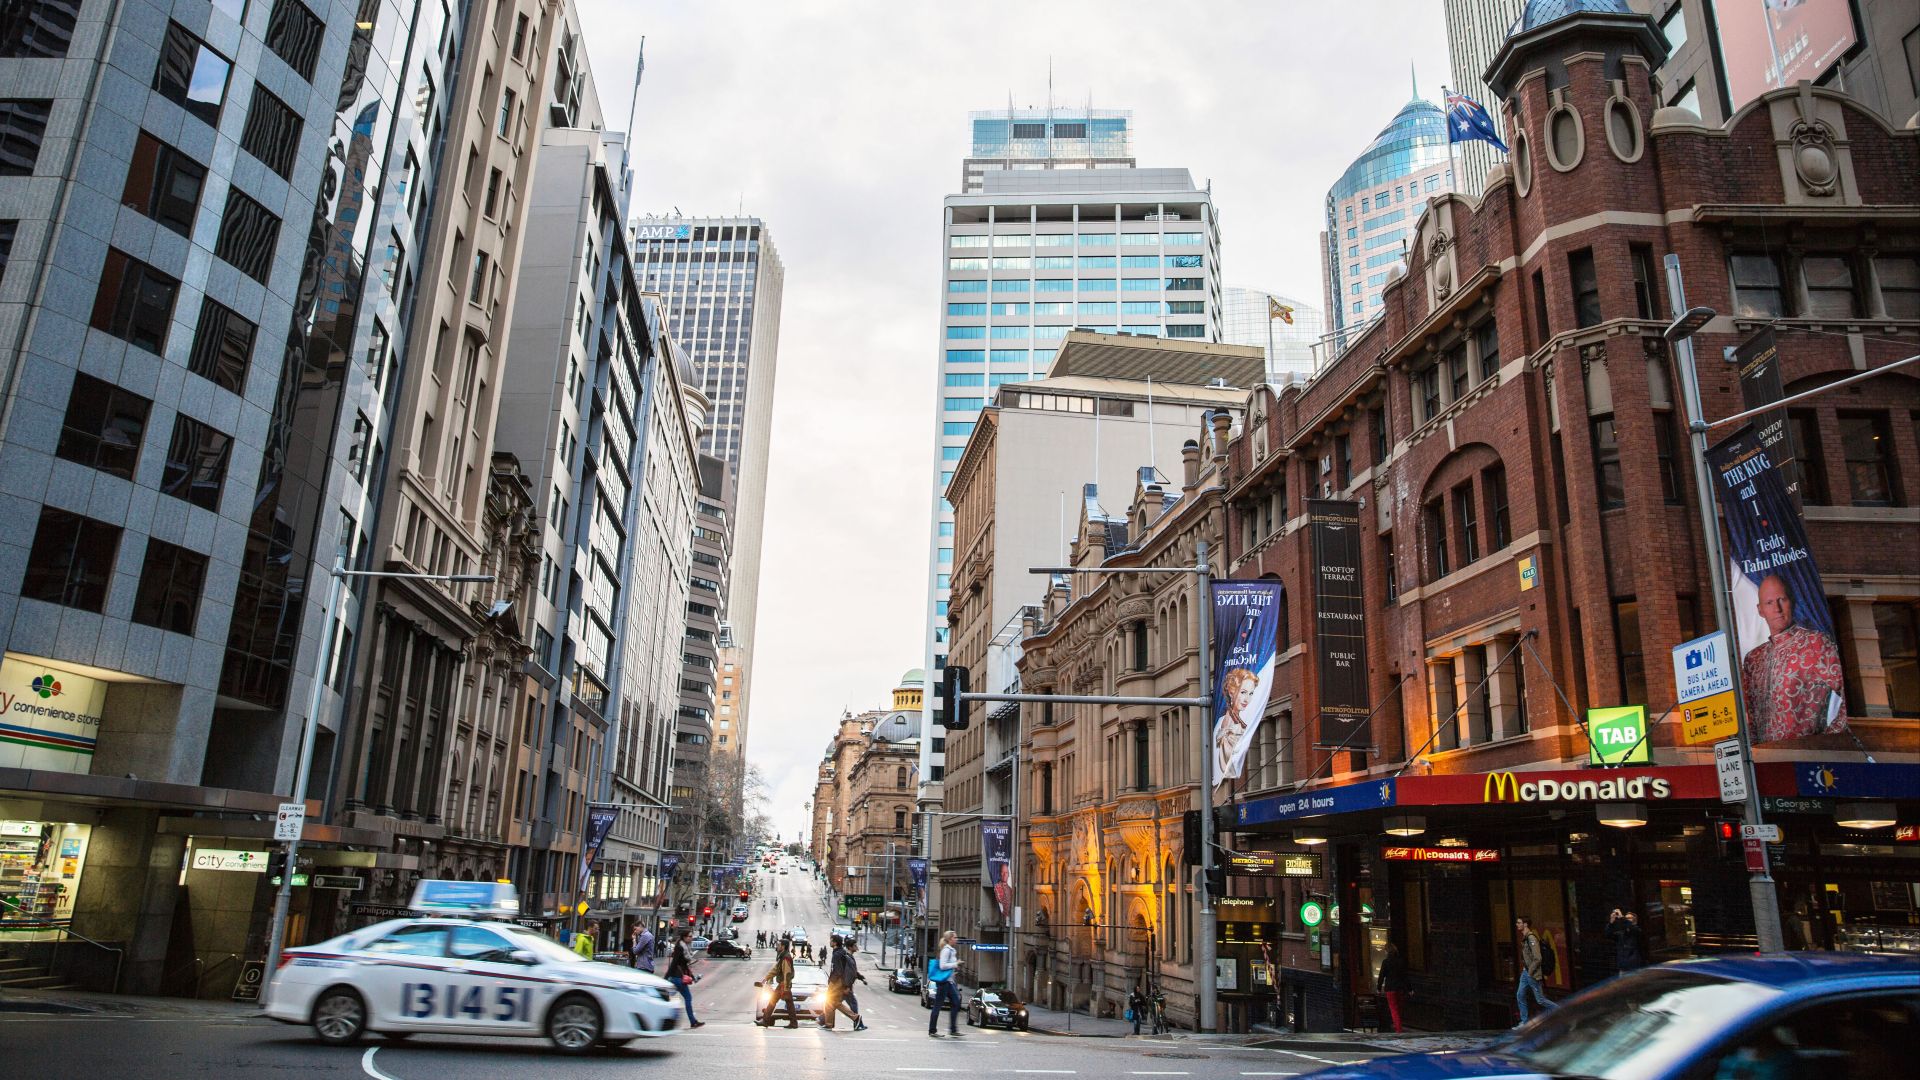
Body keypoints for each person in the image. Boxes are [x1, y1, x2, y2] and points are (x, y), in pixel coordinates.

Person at [1740, 574, 1844, 742]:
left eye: (1782, 600)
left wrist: (1825, 741)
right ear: (1760, 610)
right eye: (1769, 603)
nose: (1777, 609)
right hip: (1766, 758)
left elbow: (1843, 699)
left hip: (1808, 753)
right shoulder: (1753, 659)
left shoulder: (1815, 643)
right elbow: (1751, 714)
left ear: (1792, 602)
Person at [1212, 668, 1261, 779]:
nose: (1247, 699)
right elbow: (1228, 767)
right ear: (1231, 692)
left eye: (1251, 693)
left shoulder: (1231, 719)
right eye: (1243, 692)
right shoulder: (1232, 726)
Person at [1514, 917, 1555, 1025]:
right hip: (1525, 972)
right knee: (1520, 995)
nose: (1517, 924)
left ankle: (1562, 1011)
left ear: (1525, 924)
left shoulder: (1531, 938)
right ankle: (1524, 1022)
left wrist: (1530, 971)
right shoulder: (1525, 937)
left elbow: (1538, 958)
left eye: (1519, 923)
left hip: (1532, 973)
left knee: (1540, 999)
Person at [824, 935, 868, 1031]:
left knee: (832, 1002)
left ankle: (855, 1019)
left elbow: (839, 970)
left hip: (838, 983)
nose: (830, 942)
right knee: (834, 1002)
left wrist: (836, 982)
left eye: (831, 940)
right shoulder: (842, 953)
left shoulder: (838, 954)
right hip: (842, 983)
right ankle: (827, 1022)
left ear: (835, 942)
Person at [927, 930, 963, 1038]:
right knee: (938, 1005)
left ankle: (953, 1029)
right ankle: (932, 1030)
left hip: (949, 981)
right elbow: (942, 966)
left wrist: (954, 969)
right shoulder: (946, 950)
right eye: (955, 937)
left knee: (956, 1002)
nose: (956, 939)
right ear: (950, 939)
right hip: (943, 982)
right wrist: (955, 964)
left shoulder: (951, 950)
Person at [666, 929, 706, 1028]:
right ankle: (692, 1022)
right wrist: (666, 977)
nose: (691, 938)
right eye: (690, 936)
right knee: (687, 998)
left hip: (677, 977)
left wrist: (692, 976)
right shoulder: (680, 948)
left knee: (669, 999)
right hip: (677, 978)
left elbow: (684, 965)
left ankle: (668, 1021)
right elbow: (675, 963)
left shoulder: (684, 947)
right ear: (684, 937)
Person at [758, 938, 799, 1028]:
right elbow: (776, 969)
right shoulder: (783, 956)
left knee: (774, 1001)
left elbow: (787, 973)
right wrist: (766, 978)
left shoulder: (786, 957)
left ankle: (765, 1021)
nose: (777, 946)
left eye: (779, 945)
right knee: (788, 1004)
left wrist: (786, 987)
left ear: (783, 946)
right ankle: (793, 1023)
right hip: (784, 984)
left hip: (784, 984)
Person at [1376, 941, 1411, 1033]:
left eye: (1385, 951)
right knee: (1399, 1008)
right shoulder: (1400, 961)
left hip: (1390, 988)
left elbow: (1381, 976)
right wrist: (1410, 989)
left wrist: (1379, 988)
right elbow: (1405, 976)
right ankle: (1399, 1026)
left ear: (1387, 951)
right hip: (1400, 988)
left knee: (1393, 1009)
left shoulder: (1386, 962)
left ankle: (1398, 1030)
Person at [1607, 909, 1647, 973]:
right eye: (1626, 918)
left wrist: (1622, 917)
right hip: (1622, 967)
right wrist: (1611, 922)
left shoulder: (1637, 931)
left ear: (1635, 921)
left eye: (1629, 918)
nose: (1626, 919)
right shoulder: (1621, 933)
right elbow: (1608, 934)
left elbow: (1632, 928)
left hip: (1635, 967)